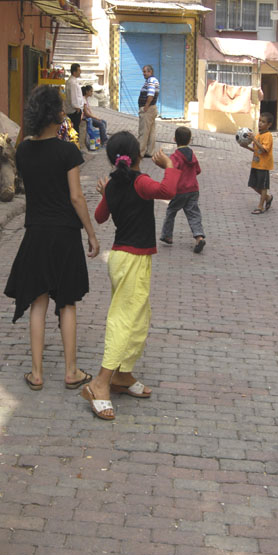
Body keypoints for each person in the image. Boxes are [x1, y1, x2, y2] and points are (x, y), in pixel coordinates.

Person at [4, 85, 100, 390]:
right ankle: (71, 371)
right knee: (67, 303)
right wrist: (91, 234)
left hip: (36, 234)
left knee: (38, 302)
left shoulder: (23, 151)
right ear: (55, 113)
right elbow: (76, 197)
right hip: (66, 235)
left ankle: (36, 373)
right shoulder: (67, 151)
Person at [79, 131, 179, 420]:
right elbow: (168, 191)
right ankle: (100, 382)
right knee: (124, 320)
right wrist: (170, 166)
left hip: (126, 258)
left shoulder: (114, 185)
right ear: (137, 156)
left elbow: (100, 217)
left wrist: (106, 195)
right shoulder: (140, 182)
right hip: (131, 260)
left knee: (138, 317)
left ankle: (122, 374)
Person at [160, 126, 206, 253]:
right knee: (193, 214)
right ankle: (199, 237)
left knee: (171, 211)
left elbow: (172, 171)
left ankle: (167, 235)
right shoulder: (193, 155)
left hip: (180, 190)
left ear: (174, 139)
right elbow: (198, 170)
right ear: (190, 140)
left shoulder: (175, 156)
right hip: (193, 189)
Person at [244, 111, 275, 214]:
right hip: (255, 164)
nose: (260, 123)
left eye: (263, 122)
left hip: (264, 165)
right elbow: (256, 150)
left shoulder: (268, 136)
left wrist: (254, 139)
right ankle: (268, 197)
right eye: (260, 121)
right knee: (253, 185)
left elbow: (264, 149)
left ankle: (260, 206)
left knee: (263, 186)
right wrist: (246, 147)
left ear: (269, 125)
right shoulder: (258, 135)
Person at [137, 64, 159, 158]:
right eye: (143, 72)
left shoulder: (151, 80)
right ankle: (150, 151)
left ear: (150, 72)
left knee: (144, 131)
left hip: (148, 109)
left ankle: (140, 152)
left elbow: (151, 94)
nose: (144, 73)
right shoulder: (153, 80)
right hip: (152, 108)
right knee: (151, 132)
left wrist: (146, 106)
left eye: (145, 72)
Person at [65, 62, 84, 134]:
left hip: (74, 110)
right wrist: (77, 108)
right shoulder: (72, 83)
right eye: (79, 70)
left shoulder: (72, 81)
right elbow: (74, 96)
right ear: (74, 72)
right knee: (75, 131)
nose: (80, 72)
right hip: (74, 111)